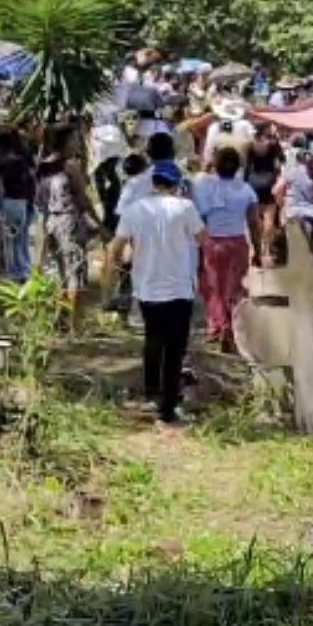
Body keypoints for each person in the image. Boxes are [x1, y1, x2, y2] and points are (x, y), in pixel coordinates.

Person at [107, 161, 206, 430]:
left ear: (153, 183)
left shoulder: (135, 210)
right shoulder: (185, 208)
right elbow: (202, 237)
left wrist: (114, 275)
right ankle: (168, 407)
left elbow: (116, 247)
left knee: (153, 338)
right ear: (177, 184)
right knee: (175, 348)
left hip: (147, 287)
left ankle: (151, 391)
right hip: (179, 288)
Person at [192, 147, 260, 351]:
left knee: (214, 287)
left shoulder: (205, 186)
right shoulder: (246, 190)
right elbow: (253, 223)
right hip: (238, 242)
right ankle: (233, 327)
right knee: (236, 288)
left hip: (213, 242)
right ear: (239, 167)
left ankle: (218, 326)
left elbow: (199, 217)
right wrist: (257, 249)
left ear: (215, 165)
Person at [36, 124, 103, 317]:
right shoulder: (71, 166)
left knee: (61, 274)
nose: (78, 144)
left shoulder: (43, 166)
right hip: (70, 223)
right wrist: (99, 226)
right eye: (74, 139)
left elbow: (40, 201)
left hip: (51, 222)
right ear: (64, 142)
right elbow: (83, 201)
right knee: (75, 275)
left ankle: (60, 318)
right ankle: (74, 324)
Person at [274, 136, 313, 262]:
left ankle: (281, 258)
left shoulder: (290, 172)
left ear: (297, 160)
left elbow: (276, 190)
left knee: (282, 233)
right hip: (312, 213)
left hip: (292, 212)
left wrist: (281, 203)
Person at [0, 129, 35, 281]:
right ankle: (24, 270)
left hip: (7, 203)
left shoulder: (0, 164)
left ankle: (11, 274)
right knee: (20, 240)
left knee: (7, 241)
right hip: (22, 204)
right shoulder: (22, 161)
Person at [245, 124, 284, 263]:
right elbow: (282, 159)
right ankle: (266, 248)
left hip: (253, 180)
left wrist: (245, 182)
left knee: (256, 217)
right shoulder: (272, 145)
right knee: (269, 215)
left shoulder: (250, 145)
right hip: (269, 179)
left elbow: (247, 166)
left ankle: (257, 248)